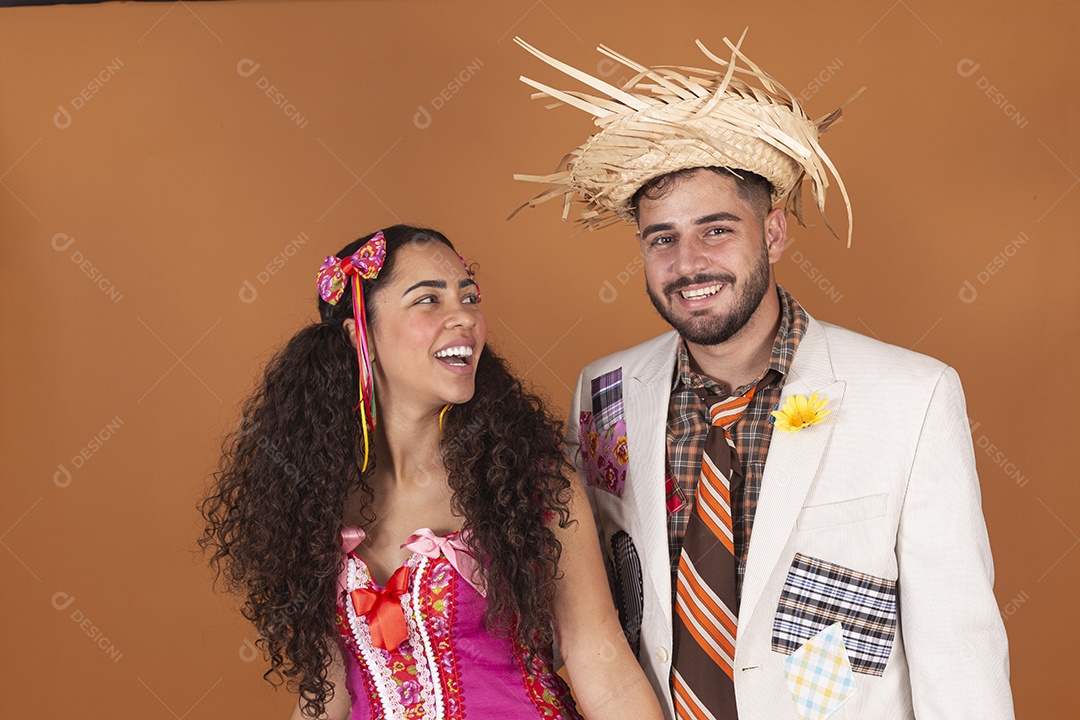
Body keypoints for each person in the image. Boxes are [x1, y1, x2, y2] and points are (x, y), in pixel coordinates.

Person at [514, 35, 1015, 719]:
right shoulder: (604, 392)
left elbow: (960, 653)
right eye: (661, 237)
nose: (688, 263)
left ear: (773, 234)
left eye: (716, 230)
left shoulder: (911, 396)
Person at [201, 225, 663, 719]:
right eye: (428, 300)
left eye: (469, 297)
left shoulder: (530, 482)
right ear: (363, 337)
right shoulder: (316, 495)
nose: (463, 316)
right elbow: (327, 695)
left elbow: (604, 669)